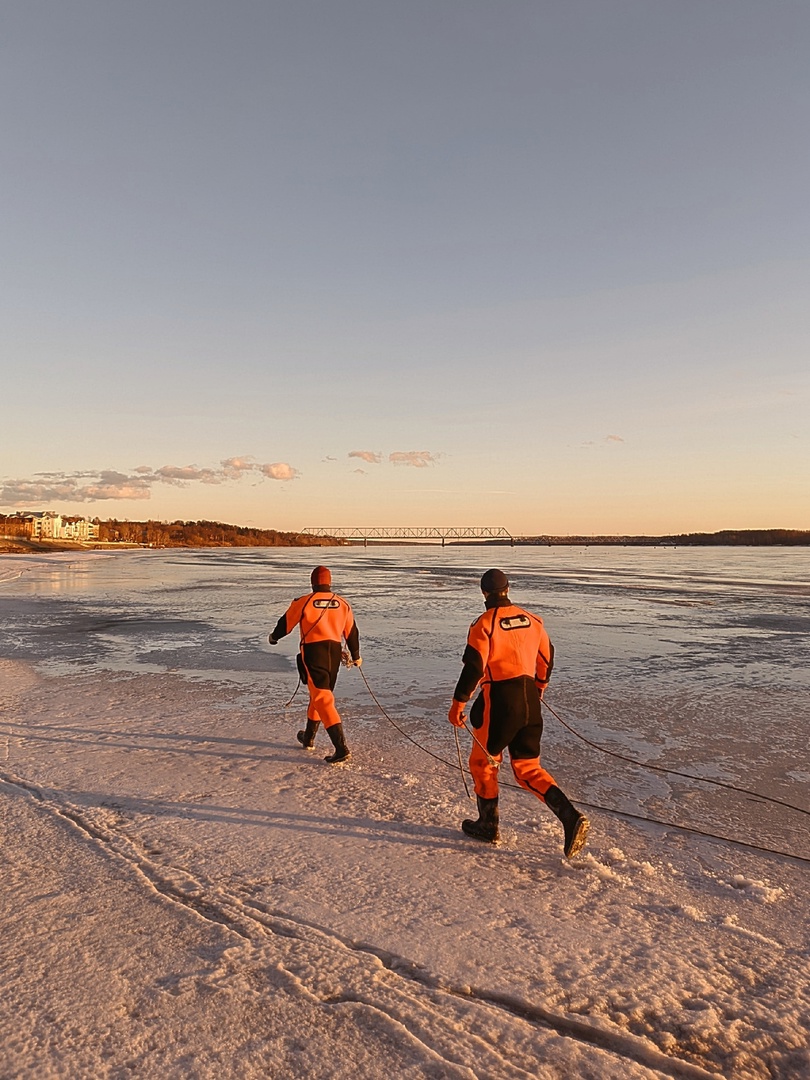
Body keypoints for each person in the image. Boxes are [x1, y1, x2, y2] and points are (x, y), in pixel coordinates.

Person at [448, 568, 589, 859]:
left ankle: (488, 825)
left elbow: (474, 667)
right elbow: (547, 659)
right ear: (508, 589)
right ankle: (570, 816)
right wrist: (539, 688)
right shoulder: (534, 620)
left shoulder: (484, 624)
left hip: (499, 700)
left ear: (484, 593)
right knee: (528, 769)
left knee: (482, 764)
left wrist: (458, 704)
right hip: (529, 701)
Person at [268, 566, 361, 764]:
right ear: (330, 582)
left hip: (313, 652)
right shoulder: (342, 603)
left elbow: (285, 624)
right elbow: (352, 631)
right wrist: (356, 655)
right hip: (334, 654)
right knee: (319, 694)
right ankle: (308, 737)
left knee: (322, 697)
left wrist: (273, 638)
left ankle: (341, 748)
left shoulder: (304, 601)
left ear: (312, 582)